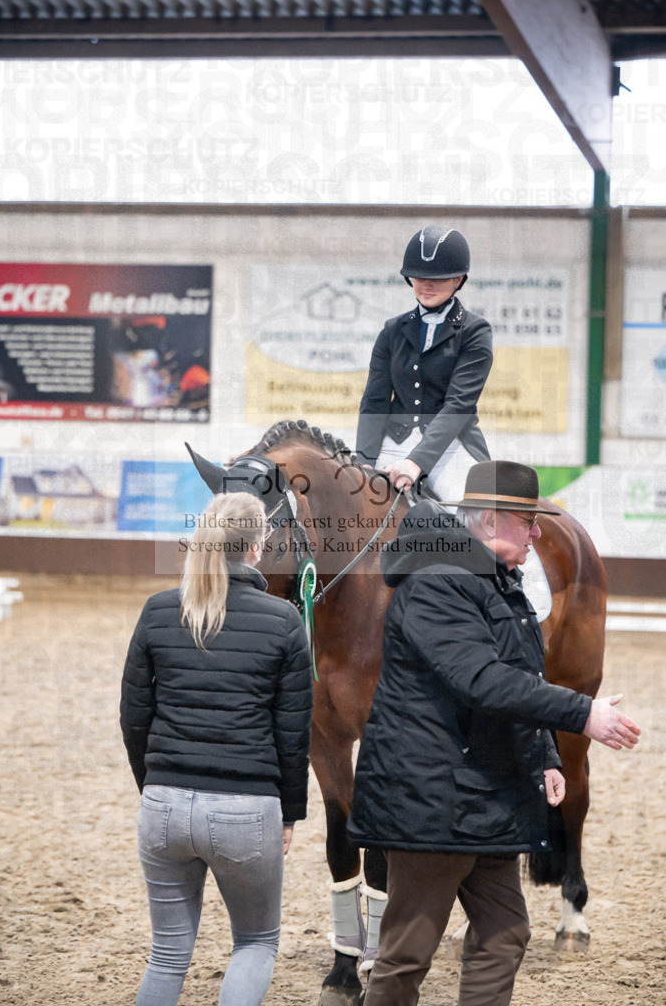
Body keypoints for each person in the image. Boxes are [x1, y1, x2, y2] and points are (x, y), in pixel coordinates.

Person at [347, 460, 640, 1006]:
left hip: (484, 794)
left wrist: (545, 757)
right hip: (430, 797)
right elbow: (481, 680)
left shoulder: (496, 582)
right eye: (526, 521)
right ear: (488, 521)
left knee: (505, 934)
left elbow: (517, 675)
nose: (536, 532)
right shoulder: (438, 583)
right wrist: (582, 714)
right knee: (408, 954)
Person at [120, 492, 313, 1006]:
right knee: (255, 943)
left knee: (166, 955)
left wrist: (155, 785)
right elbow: (293, 734)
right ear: (258, 547)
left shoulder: (159, 610)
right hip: (245, 809)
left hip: (162, 804)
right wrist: (290, 813)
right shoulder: (284, 620)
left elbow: (134, 717)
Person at [356, 225, 493, 499]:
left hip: (449, 448)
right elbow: (374, 402)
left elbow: (458, 405)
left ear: (459, 279)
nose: (426, 285)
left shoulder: (475, 332)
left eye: (438, 279)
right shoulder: (392, 331)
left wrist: (416, 462)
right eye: (419, 277)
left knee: (477, 516)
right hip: (392, 445)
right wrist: (363, 463)